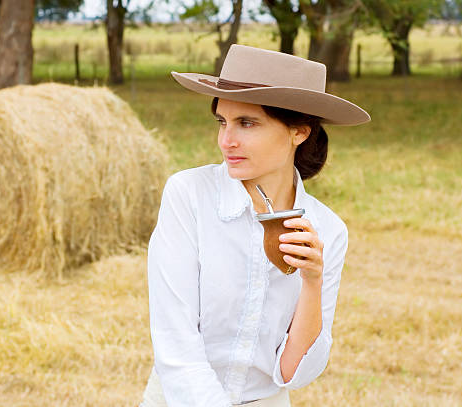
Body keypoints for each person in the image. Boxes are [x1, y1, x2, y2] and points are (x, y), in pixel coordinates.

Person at [140, 44, 370, 407]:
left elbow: (295, 372)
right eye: (222, 122)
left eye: (246, 123)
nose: (226, 141)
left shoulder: (328, 229)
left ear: (299, 132)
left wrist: (312, 281)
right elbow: (176, 342)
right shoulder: (189, 195)